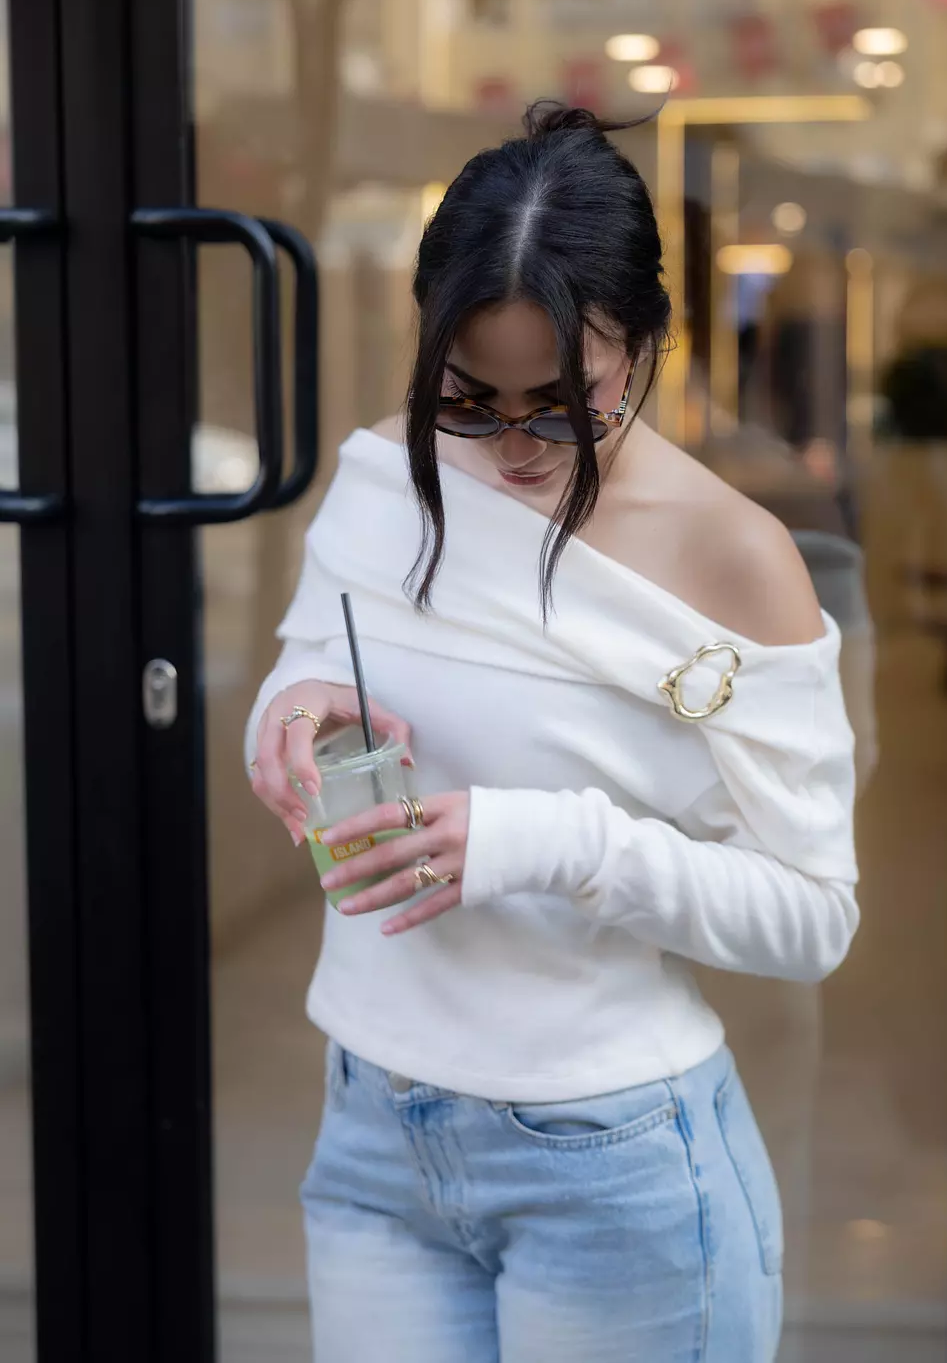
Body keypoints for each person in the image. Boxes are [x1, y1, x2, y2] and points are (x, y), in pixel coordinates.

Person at [246, 103, 859, 1363]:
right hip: (372, 1129)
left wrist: (544, 842)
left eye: (560, 405)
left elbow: (811, 919)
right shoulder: (381, 475)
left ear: (641, 348)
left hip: (614, 1160)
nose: (516, 445)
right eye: (468, 400)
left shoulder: (731, 557)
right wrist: (289, 716)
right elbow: (314, 666)